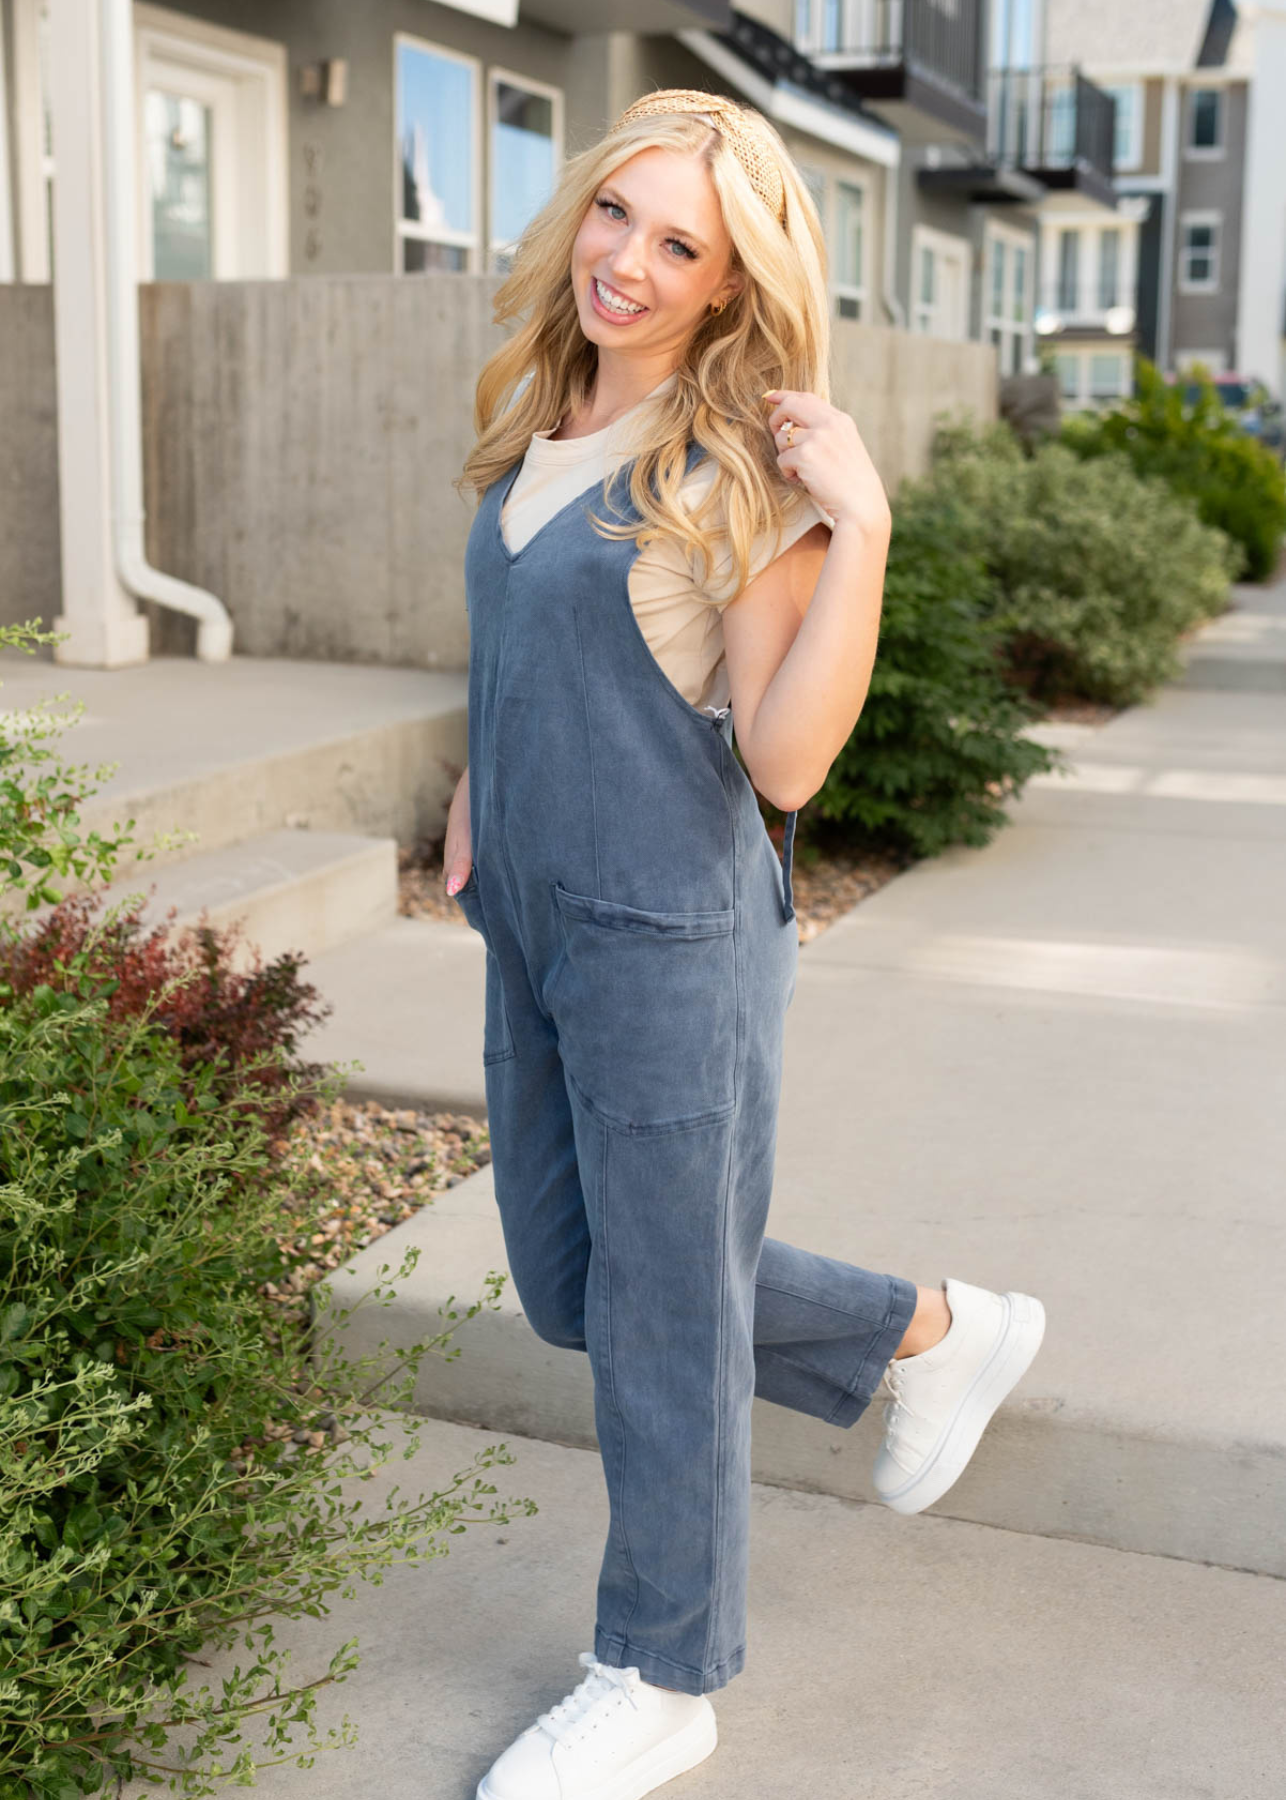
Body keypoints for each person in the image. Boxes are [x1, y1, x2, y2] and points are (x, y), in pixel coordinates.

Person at [443, 88, 1046, 1800]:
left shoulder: (724, 475)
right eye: (616, 216)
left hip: (668, 944)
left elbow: (785, 759)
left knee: (657, 1318)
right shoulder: (539, 413)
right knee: (577, 1289)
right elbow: (512, 638)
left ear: (727, 284)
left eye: (678, 244)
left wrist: (857, 524)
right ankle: (928, 1333)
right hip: (534, 926)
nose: (627, 262)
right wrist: (477, 797)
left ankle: (659, 1671)